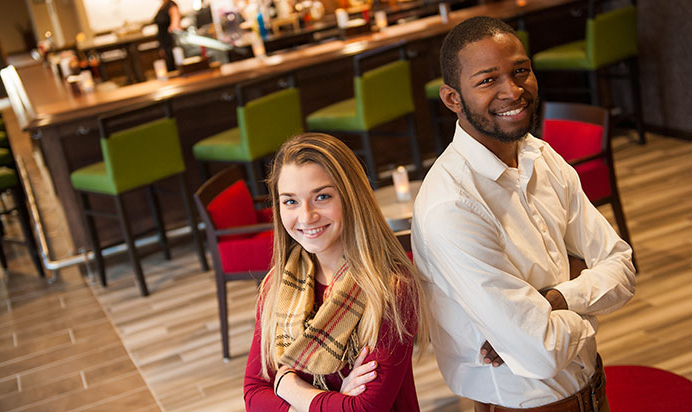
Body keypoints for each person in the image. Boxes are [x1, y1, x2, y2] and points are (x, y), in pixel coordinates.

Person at [411, 16, 636, 412]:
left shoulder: (540, 156)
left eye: (520, 71)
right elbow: (541, 353)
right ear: (452, 99)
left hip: (594, 387)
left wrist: (551, 300)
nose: (512, 91)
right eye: (487, 80)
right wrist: (584, 289)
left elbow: (623, 267)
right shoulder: (452, 206)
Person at [243, 133, 428, 412]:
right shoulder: (276, 286)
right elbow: (254, 392)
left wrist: (287, 386)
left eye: (322, 197)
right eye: (290, 201)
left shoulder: (390, 287)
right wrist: (330, 401)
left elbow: (366, 408)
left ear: (351, 197)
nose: (306, 216)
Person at [154, 0, 181, 71]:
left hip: (170, 41)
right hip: (163, 41)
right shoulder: (163, 6)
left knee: (173, 64)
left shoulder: (171, 5)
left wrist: (173, 27)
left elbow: (175, 22)